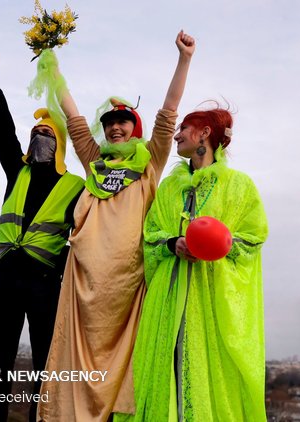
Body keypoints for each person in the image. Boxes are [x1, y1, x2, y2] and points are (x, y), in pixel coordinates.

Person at [37, 31, 195, 421]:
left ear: (134, 129)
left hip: (128, 283)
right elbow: (73, 117)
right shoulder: (94, 163)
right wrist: (51, 64)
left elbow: (168, 114)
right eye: (109, 124)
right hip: (83, 280)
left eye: (123, 123)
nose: (115, 129)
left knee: (123, 367)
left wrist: (184, 60)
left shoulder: (149, 163)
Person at [115, 105, 268, 421]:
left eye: (183, 128)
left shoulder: (239, 185)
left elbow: (252, 239)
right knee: (162, 369)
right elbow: (151, 235)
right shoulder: (169, 187)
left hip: (209, 298)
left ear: (205, 133)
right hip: (167, 300)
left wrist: (214, 245)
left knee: (207, 370)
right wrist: (173, 243)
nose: (176, 135)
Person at [0, 50, 85, 422]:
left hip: (44, 284)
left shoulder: (75, 185)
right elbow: (0, 127)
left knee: (44, 362)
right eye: (36, 133)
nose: (40, 137)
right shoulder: (16, 170)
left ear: (60, 145)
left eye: (48, 133)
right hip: (5, 280)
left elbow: (87, 233)